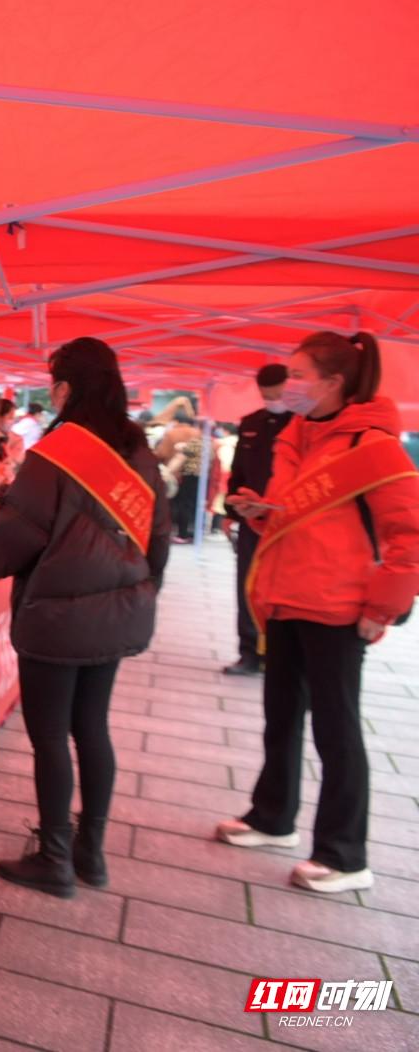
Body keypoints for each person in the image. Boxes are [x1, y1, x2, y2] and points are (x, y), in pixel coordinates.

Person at [220, 331, 419, 894]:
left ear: (334, 382)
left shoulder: (372, 446)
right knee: (280, 718)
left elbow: (408, 537)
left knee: (337, 730)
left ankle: (345, 854)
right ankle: (272, 817)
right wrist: (260, 514)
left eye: (301, 374)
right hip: (284, 597)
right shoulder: (296, 436)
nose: (291, 385)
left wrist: (383, 608)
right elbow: (297, 516)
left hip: (336, 608)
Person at [0, 337, 172, 898]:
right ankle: (92, 853)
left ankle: (54, 856)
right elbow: (158, 539)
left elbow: (16, 535)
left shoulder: (59, 451)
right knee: (92, 728)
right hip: (118, 611)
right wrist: (138, 588)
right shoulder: (138, 450)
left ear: (65, 388)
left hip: (57, 620)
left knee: (49, 736)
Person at [221, 364, 292, 676]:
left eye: (277, 396)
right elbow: (238, 475)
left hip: (287, 524)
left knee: (280, 588)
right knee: (247, 586)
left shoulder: (303, 424)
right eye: (267, 397)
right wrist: (232, 509)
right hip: (251, 521)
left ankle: (278, 654)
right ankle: (249, 652)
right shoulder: (252, 424)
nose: (273, 402)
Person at [162, 411, 203, 542]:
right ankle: (191, 532)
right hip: (197, 473)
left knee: (176, 503)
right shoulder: (198, 433)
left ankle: (178, 532)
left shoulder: (172, 433)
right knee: (191, 503)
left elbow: (162, 453)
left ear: (177, 421)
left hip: (177, 474)